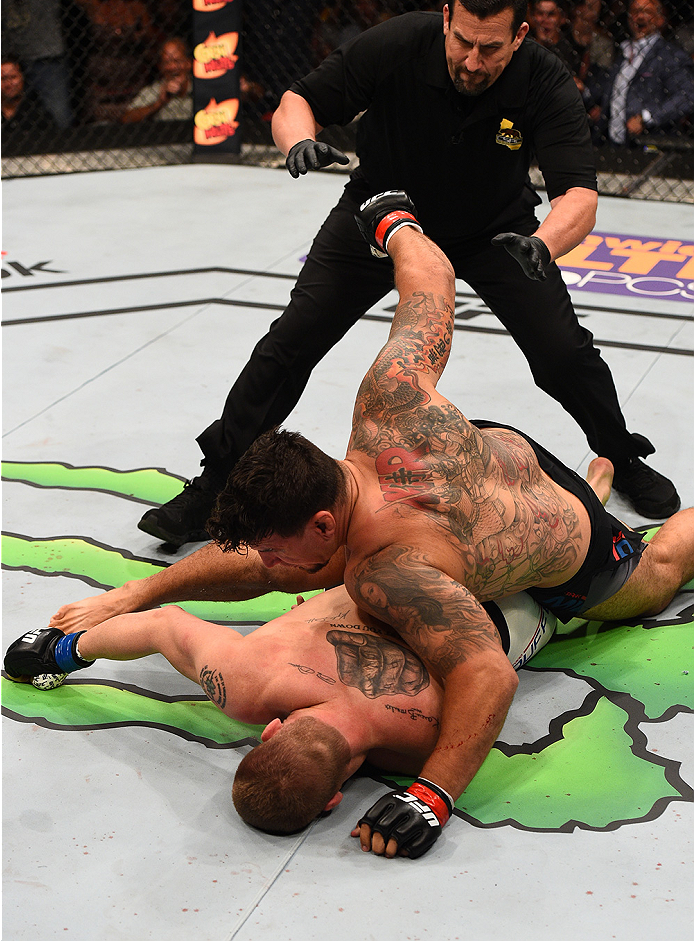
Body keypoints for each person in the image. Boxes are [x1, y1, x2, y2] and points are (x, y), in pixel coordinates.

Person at [70, 195, 694, 858]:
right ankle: (593, 484)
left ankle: (612, 508)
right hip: (501, 453)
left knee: (656, 575)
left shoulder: (387, 572)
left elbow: (487, 675)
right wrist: (395, 224)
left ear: (319, 519)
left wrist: (431, 795)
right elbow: (431, 287)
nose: (272, 569)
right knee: (329, 561)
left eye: (281, 553)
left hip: (576, 556)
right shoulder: (387, 402)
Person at [138, 0, 680, 553]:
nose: (472, 61)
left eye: (489, 49)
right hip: (379, 213)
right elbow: (299, 100)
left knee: (563, 352)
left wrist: (544, 243)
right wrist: (299, 141)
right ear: (446, 18)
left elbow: (579, 196)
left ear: (519, 36)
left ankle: (620, 454)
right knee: (292, 341)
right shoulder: (398, 43)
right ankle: (217, 484)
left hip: (494, 231)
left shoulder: (543, 79)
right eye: (463, 41)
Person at [4, 583, 558, 850]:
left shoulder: (426, 743)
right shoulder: (250, 680)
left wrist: (431, 795)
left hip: (503, 611)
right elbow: (163, 625)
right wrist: (62, 649)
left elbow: (492, 688)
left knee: (614, 581)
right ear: (270, 733)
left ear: (336, 798)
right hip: (408, 566)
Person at [585, 0, 694, 144]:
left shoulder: (670, 56)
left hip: (648, 143)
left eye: (647, 12)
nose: (640, 16)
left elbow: (688, 95)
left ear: (660, 19)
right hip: (612, 143)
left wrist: (647, 117)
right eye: (635, 11)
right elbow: (608, 90)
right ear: (629, 17)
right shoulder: (623, 52)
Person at [0, 0, 73, 129]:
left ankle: (61, 147)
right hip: (11, 52)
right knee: (8, 106)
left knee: (59, 114)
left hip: (46, 54)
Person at [121, 37, 192, 124]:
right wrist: (159, 103)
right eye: (166, 62)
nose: (172, 67)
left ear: (188, 64)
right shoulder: (154, 90)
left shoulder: (200, 88)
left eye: (177, 61)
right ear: (160, 67)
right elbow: (126, 118)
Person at [1, 54, 57, 151]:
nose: (9, 84)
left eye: (13, 77)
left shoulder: (38, 113)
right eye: (3, 79)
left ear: (22, 78)